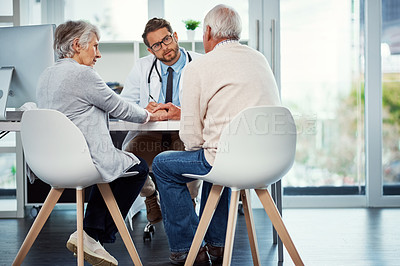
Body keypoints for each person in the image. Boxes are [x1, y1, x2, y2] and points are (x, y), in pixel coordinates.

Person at [152, 4, 281, 265]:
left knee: (164, 164)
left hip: (227, 161)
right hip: (271, 160)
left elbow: (190, 139)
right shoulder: (259, 58)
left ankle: (188, 249)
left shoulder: (199, 67)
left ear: (209, 31)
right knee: (218, 157)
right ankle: (218, 244)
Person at [36, 20, 165, 266]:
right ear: (76, 45)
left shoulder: (46, 75)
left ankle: (90, 234)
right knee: (136, 168)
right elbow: (117, 106)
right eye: (95, 46)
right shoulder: (83, 74)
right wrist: (150, 115)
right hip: (83, 162)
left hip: (51, 163)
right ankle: (93, 235)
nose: (99, 53)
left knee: (111, 169)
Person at [120, 18, 202, 225]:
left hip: (185, 133)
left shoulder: (200, 64)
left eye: (166, 39)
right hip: (151, 134)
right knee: (128, 156)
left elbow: (212, 106)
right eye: (157, 45)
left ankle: (189, 202)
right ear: (150, 50)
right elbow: (125, 105)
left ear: (175, 36)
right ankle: (149, 196)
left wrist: (181, 113)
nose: (164, 47)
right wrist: (142, 110)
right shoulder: (142, 67)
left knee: (193, 155)